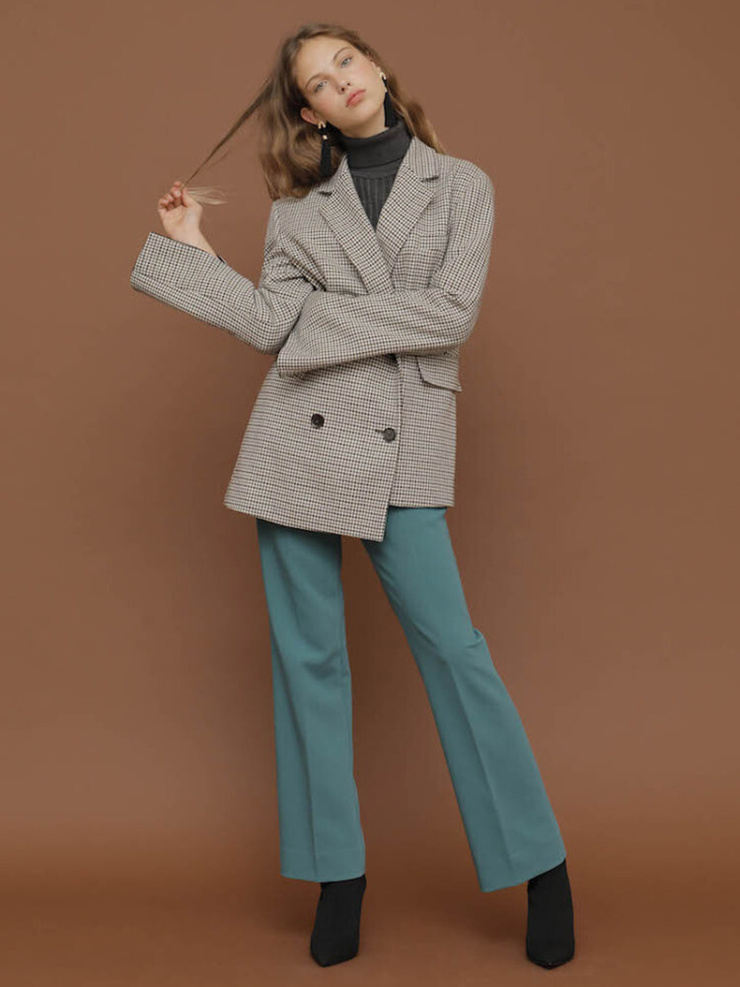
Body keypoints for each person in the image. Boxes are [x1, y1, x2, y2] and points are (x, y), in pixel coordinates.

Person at [129, 21, 575, 971]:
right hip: (296, 442)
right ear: (312, 115)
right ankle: (339, 875)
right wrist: (193, 248)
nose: (341, 81)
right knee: (310, 663)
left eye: (346, 61)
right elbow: (269, 325)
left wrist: (321, 322)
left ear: (374, 68)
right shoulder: (299, 211)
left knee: (454, 651)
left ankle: (541, 866)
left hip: (405, 442)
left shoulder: (462, 185)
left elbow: (451, 313)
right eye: (319, 83)